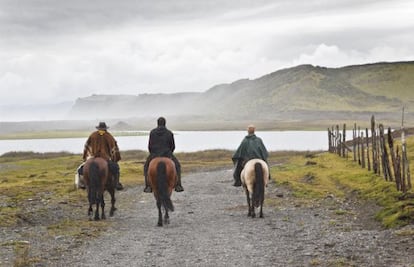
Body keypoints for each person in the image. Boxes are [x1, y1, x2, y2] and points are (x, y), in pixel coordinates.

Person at [143, 117, 184, 193]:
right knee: (177, 166)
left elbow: (150, 146)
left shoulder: (152, 132)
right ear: (165, 123)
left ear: (157, 123)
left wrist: (153, 153)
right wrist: (169, 152)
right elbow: (173, 146)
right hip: (167, 154)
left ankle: (148, 186)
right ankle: (178, 185)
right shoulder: (169, 133)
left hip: (154, 154)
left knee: (146, 167)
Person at [82, 122, 123, 190]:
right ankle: (117, 183)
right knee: (116, 168)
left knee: (82, 169)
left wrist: (85, 158)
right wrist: (115, 159)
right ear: (105, 128)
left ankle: (83, 183)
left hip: (93, 157)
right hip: (105, 158)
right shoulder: (109, 136)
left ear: (98, 128)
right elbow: (114, 149)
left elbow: (86, 146)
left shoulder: (93, 135)